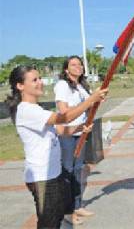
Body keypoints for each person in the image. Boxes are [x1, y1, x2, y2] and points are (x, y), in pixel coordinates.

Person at [4, 66, 107, 229]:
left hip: (54, 174)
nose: (41, 82)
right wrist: (90, 100)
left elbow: (59, 130)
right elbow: (63, 118)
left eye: (40, 78)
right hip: (42, 178)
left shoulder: (37, 109)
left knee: (56, 217)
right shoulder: (26, 110)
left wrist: (79, 128)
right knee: (48, 223)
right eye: (34, 80)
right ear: (20, 86)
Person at [54, 56, 94, 225]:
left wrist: (95, 100)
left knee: (78, 170)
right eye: (73, 64)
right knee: (68, 171)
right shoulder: (62, 85)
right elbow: (63, 111)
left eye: (80, 64)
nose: (78, 67)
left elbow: (89, 106)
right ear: (66, 69)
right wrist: (87, 104)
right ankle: (66, 211)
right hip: (68, 133)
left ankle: (77, 205)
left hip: (82, 132)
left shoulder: (81, 86)